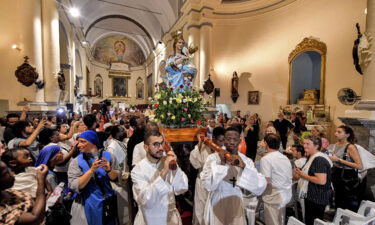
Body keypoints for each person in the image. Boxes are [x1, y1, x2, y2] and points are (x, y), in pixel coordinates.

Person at [201, 127, 267, 225]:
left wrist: (244, 168)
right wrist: (221, 164)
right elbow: (208, 185)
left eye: (235, 139)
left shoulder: (246, 160)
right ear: (224, 140)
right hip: (217, 201)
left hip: (236, 201)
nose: (231, 142)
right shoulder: (213, 158)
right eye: (228, 139)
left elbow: (260, 187)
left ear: (240, 140)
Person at [131, 130, 188, 225]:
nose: (161, 148)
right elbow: (146, 200)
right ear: (146, 147)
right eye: (156, 144)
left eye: (162, 143)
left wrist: (175, 170)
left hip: (171, 217)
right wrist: (164, 171)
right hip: (150, 219)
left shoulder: (168, 161)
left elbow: (182, 188)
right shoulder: (138, 170)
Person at [68, 130, 120, 225]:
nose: (78, 145)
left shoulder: (108, 156)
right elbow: (74, 185)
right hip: (89, 203)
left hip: (108, 199)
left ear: (93, 142)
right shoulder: (76, 162)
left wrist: (109, 170)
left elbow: (116, 178)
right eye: (78, 142)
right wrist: (91, 170)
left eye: (83, 141)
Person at [189, 127, 225, 225]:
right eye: (220, 140)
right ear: (213, 138)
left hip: (217, 185)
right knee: (200, 209)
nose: (222, 143)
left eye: (223, 140)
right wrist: (200, 145)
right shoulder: (202, 148)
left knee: (214, 210)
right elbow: (196, 164)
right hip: (202, 183)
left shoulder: (224, 150)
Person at [294, 135, 332, 225]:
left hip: (317, 197)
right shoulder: (312, 157)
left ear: (316, 146)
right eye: (304, 143)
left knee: (313, 221)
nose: (305, 146)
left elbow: (321, 181)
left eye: (308, 144)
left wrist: (303, 175)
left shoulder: (319, 159)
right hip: (312, 196)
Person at [0, 160, 48, 225]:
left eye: (9, 170)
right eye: (6, 173)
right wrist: (40, 180)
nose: (12, 174)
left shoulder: (11, 192)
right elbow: (35, 218)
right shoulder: (2, 214)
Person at [327, 125, 363, 211]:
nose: (336, 134)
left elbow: (359, 166)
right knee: (338, 197)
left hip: (347, 176)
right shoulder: (336, 144)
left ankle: (346, 218)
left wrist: (339, 160)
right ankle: (338, 215)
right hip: (336, 173)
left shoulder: (350, 147)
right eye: (336, 131)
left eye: (339, 132)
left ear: (347, 135)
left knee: (346, 199)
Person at [260, 134, 292, 225]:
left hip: (273, 196)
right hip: (285, 193)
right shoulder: (284, 157)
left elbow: (266, 181)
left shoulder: (266, 159)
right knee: (280, 220)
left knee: (272, 222)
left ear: (265, 143)